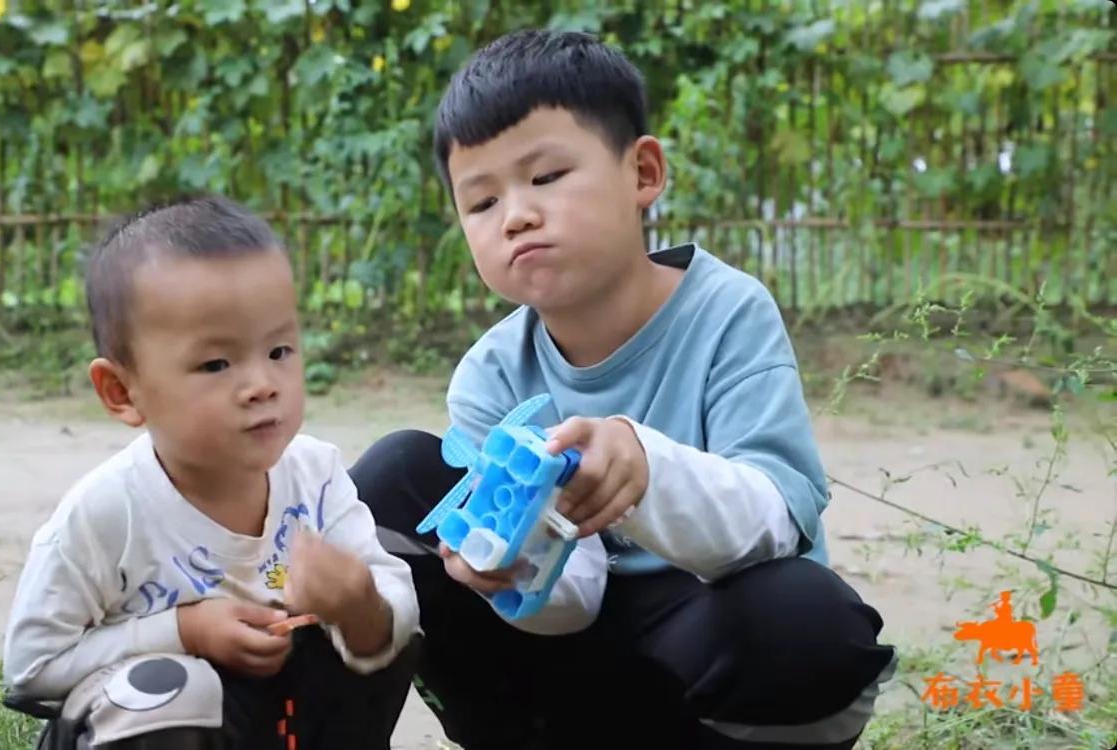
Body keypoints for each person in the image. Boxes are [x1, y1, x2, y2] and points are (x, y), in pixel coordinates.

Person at [351, 28, 899, 749]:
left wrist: (645, 468)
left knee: (807, 618)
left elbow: (777, 519)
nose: (515, 216)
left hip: (702, 645)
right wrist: (517, 569)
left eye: (547, 176)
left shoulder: (726, 312)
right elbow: (573, 602)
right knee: (388, 484)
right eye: (481, 203)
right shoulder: (490, 375)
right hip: (561, 681)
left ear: (642, 172)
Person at [1, 195, 420, 749]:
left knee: (381, 625)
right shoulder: (104, 515)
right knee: (171, 691)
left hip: (280, 721)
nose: (262, 385)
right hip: (161, 730)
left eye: (279, 351)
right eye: (216, 364)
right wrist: (184, 631)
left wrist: (357, 601)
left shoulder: (314, 476)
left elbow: (395, 613)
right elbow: (31, 667)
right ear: (122, 391)